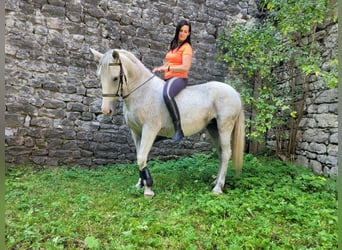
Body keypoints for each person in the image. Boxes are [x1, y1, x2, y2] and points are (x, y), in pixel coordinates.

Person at [152, 19, 193, 142]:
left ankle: (178, 130)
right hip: (168, 78)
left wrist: (168, 67)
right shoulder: (173, 45)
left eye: (185, 31)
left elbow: (185, 67)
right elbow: (169, 62)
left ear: (188, 34)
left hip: (179, 78)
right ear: (177, 31)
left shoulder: (187, 48)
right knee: (158, 98)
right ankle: (163, 131)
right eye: (181, 30)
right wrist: (161, 68)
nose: (182, 33)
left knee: (167, 94)